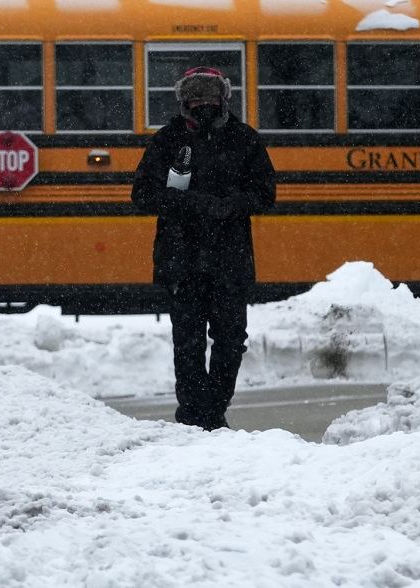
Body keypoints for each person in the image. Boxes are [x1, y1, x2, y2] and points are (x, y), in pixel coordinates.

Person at [131, 66, 277, 431]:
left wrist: (231, 204)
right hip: (183, 259)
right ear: (184, 102)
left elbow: (265, 194)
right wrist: (192, 204)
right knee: (189, 342)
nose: (203, 106)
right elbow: (142, 194)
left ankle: (211, 409)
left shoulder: (245, 140)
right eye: (196, 99)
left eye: (210, 98)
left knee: (230, 341)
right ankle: (195, 416)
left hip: (229, 259)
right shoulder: (167, 141)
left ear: (223, 100)